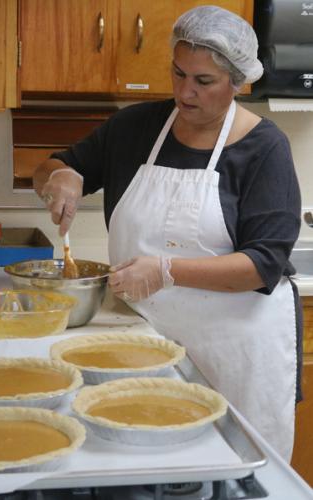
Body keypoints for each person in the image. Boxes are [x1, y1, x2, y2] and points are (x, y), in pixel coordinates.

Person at [33, 5, 302, 461]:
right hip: (145, 344)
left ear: (237, 83)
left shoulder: (264, 148)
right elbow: (55, 165)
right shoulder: (136, 127)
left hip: (234, 353)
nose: (184, 92)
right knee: (149, 462)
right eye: (178, 74)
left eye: (203, 81)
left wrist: (165, 271)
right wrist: (61, 177)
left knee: (234, 473)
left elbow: (263, 265)